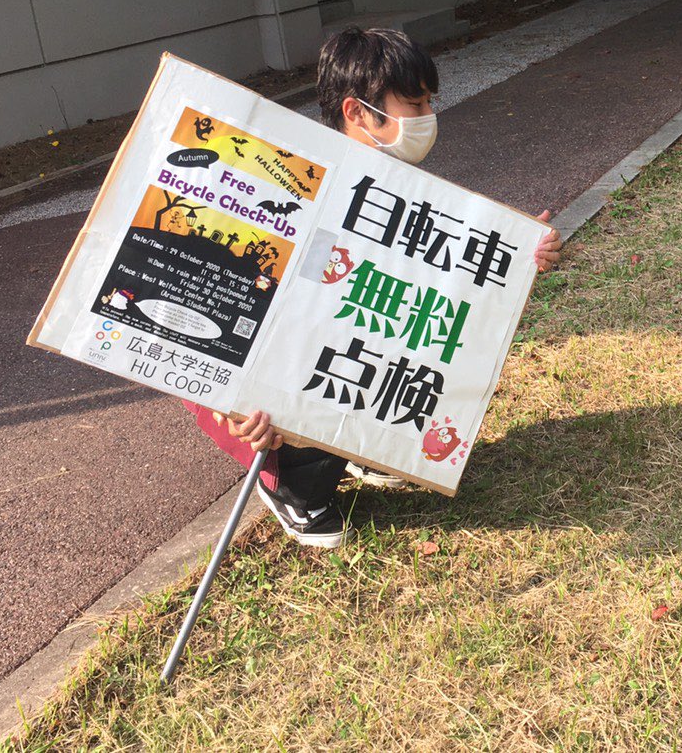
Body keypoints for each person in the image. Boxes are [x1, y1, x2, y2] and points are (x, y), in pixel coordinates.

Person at [186, 27, 562, 548]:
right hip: (253, 359)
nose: (428, 115)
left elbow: (450, 275)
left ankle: (368, 450)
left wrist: (520, 257)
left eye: (430, 100)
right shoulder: (294, 182)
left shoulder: (401, 194)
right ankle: (290, 482)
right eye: (414, 102)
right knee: (310, 373)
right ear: (357, 112)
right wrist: (236, 399)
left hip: (341, 349)